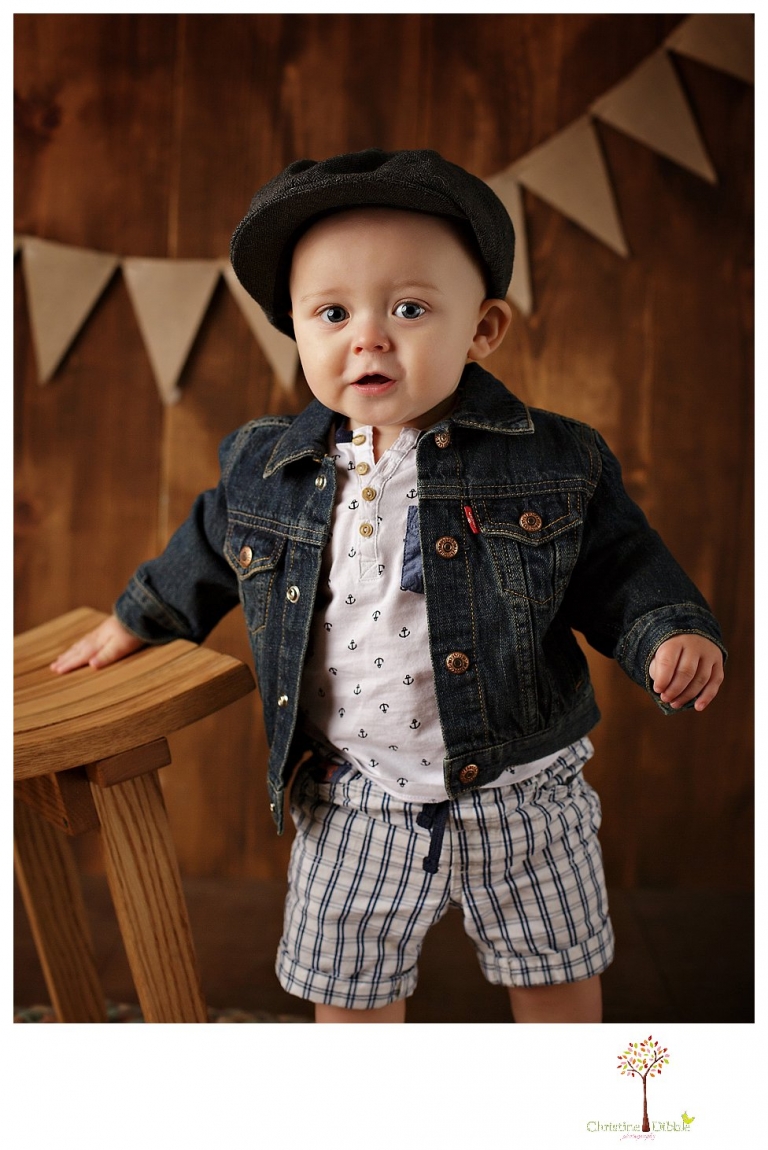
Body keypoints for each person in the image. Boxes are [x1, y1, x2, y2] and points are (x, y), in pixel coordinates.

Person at [51, 148, 726, 1024]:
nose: (367, 336)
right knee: (349, 1000)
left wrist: (669, 632)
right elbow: (212, 543)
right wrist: (136, 618)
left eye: (409, 308)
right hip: (351, 790)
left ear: (483, 329)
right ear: (297, 331)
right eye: (332, 313)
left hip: (522, 788)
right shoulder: (269, 467)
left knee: (560, 987)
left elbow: (623, 568)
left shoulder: (551, 462)